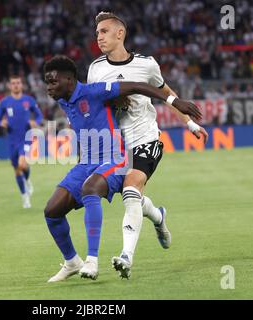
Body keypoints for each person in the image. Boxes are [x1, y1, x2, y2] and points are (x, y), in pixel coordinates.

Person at [43, 55, 202, 282]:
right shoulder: (63, 99)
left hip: (114, 159)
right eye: (47, 82)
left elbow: (139, 86)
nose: (49, 88)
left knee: (92, 190)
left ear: (69, 80)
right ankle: (72, 261)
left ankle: (92, 261)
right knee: (52, 211)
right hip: (86, 162)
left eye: (53, 82)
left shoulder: (94, 91)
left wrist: (175, 103)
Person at [88, 12, 209, 279]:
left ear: (120, 34)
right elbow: (92, 106)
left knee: (131, 189)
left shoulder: (147, 65)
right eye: (97, 32)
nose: (99, 37)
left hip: (146, 139)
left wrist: (189, 124)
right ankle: (158, 216)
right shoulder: (95, 69)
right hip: (116, 147)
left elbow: (168, 95)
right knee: (134, 198)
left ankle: (126, 256)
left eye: (104, 31)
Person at [0, 75, 43, 208]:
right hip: (11, 140)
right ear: (10, 86)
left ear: (21, 85)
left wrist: (36, 122)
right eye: (13, 83)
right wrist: (2, 122)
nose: (16, 85)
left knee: (22, 164)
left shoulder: (29, 100)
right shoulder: (5, 102)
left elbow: (39, 116)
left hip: (26, 138)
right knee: (17, 170)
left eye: (18, 83)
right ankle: (24, 196)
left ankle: (27, 181)